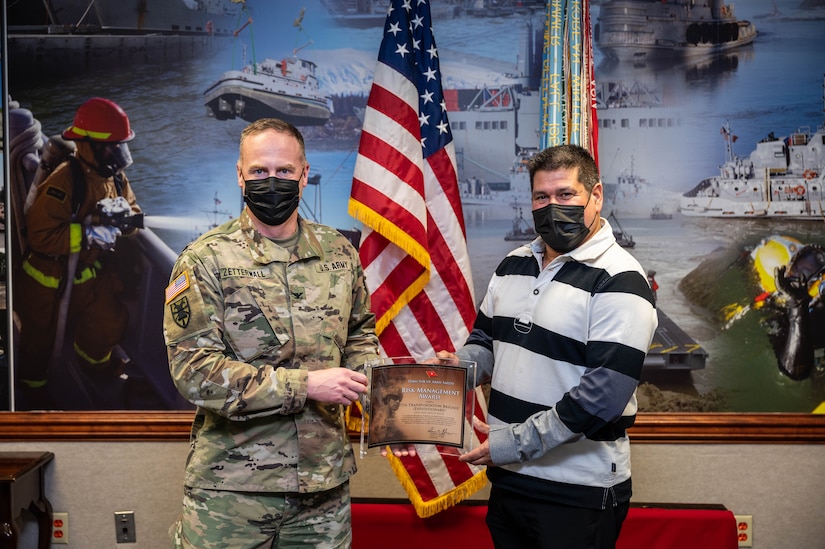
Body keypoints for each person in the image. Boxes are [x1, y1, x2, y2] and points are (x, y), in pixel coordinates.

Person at [163, 118, 378, 548]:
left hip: (323, 488)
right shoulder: (204, 259)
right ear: (240, 175)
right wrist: (307, 385)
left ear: (304, 174)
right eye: (260, 171)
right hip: (231, 492)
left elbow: (359, 335)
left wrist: (383, 390)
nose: (272, 181)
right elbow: (193, 370)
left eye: (284, 171)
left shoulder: (338, 252)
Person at [441, 144, 658, 548]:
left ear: (596, 196)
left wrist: (511, 444)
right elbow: (488, 342)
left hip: (578, 492)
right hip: (510, 481)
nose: (552, 206)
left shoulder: (622, 280)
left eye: (566, 195)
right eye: (541, 197)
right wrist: (458, 367)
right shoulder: (513, 263)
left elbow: (600, 402)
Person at [16, 97, 142, 409]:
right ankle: (33, 394)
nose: (118, 154)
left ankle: (94, 366)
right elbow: (41, 235)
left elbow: (135, 213)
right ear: (89, 145)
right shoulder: (65, 181)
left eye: (120, 146)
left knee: (108, 321)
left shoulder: (115, 177)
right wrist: (86, 235)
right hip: (47, 280)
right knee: (39, 343)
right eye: (112, 147)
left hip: (88, 276)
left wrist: (125, 222)